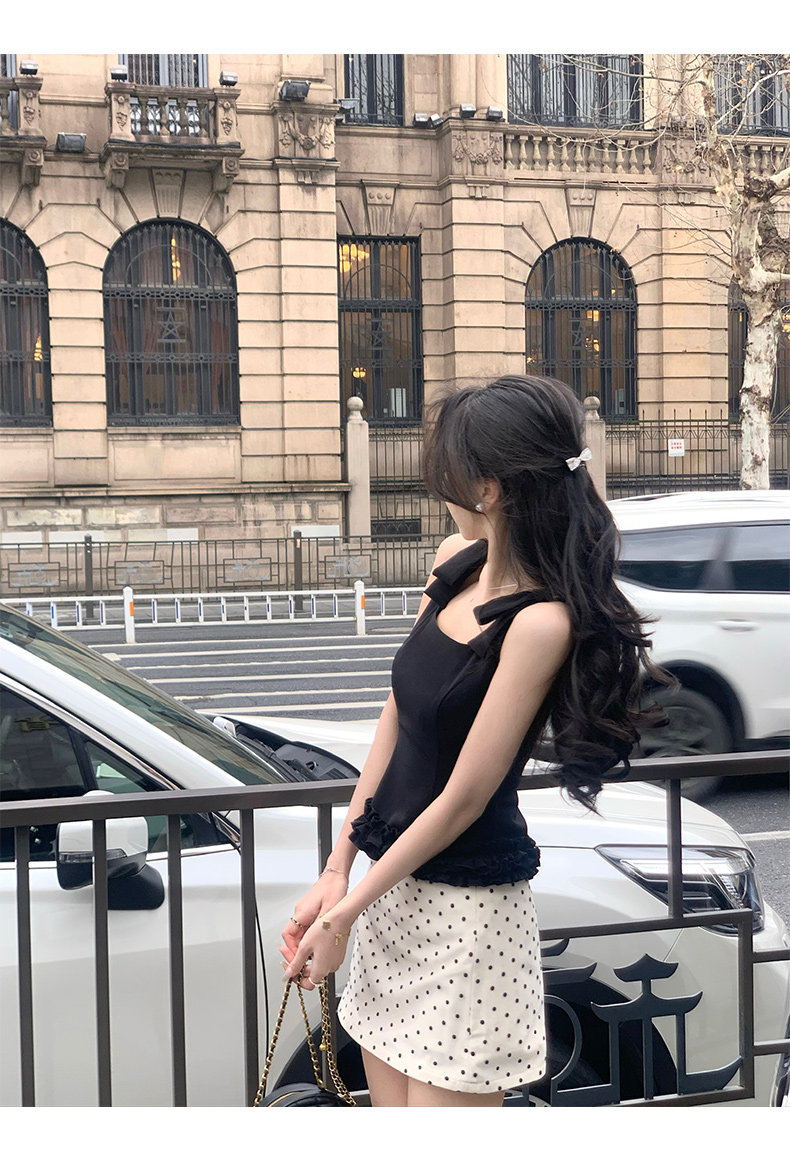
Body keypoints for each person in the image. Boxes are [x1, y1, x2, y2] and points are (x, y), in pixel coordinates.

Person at [280, 374, 668, 1107]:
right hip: (392, 892)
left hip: (468, 917)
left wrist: (344, 911)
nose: (440, 491)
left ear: (487, 489)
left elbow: (465, 798)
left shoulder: (539, 623)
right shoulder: (452, 564)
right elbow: (397, 718)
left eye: (448, 474)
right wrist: (339, 870)